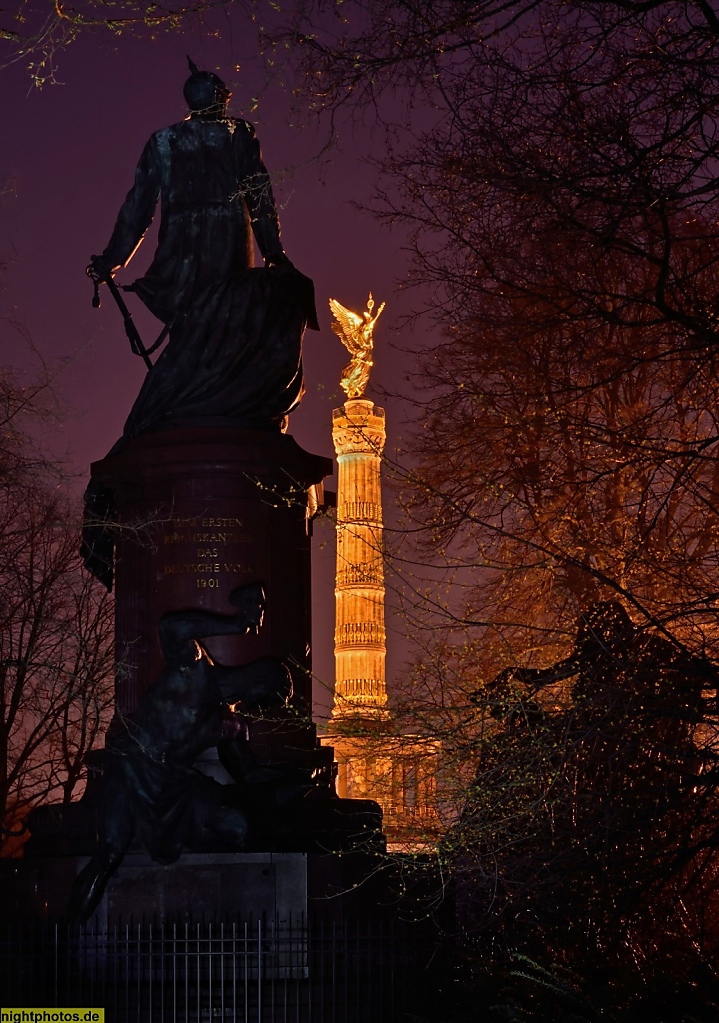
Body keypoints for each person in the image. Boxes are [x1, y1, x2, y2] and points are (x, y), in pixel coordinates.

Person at [87, 58, 318, 438]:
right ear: (218, 99)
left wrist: (114, 259)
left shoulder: (163, 141)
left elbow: (138, 207)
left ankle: (191, 405)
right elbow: (259, 195)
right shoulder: (238, 132)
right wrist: (273, 251)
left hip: (179, 244)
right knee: (225, 321)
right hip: (227, 236)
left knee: (193, 324)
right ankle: (209, 404)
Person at [68, 582, 292, 923]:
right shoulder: (196, 666)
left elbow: (250, 775)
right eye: (261, 701)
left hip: (171, 782)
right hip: (132, 766)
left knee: (238, 829)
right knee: (109, 853)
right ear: (258, 682)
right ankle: (61, 945)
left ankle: (205, 915)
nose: (255, 709)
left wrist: (300, 779)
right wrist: (234, 625)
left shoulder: (225, 719)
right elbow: (170, 627)